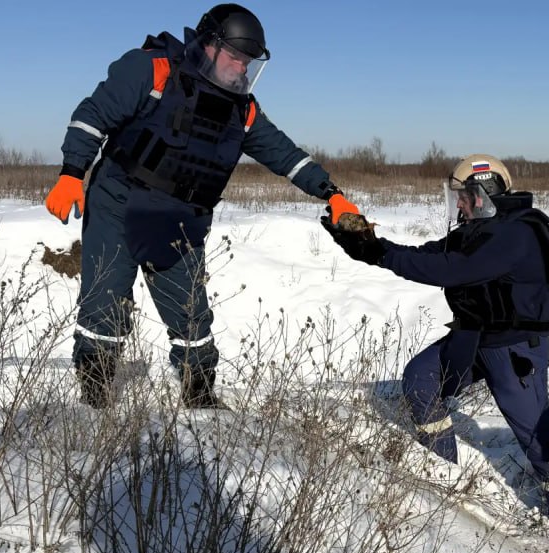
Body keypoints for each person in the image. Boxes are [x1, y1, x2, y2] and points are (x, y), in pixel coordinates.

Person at [44, 3, 360, 408]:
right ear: (209, 46)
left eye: (248, 63)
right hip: (118, 203)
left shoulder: (241, 110)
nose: (241, 69)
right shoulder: (151, 71)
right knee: (104, 308)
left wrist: (330, 192)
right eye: (235, 58)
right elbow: (92, 116)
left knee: (192, 317)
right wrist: (72, 172)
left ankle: (200, 398)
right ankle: (95, 397)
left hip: (179, 220)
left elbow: (284, 154)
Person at [320, 154, 549, 545]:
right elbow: (432, 255)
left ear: (486, 193)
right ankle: (443, 475)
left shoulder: (517, 234)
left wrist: (378, 254)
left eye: (464, 196)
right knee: (420, 378)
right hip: (475, 337)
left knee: (540, 445)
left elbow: (450, 270)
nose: (459, 204)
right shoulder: (479, 230)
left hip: (515, 353)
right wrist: (368, 243)